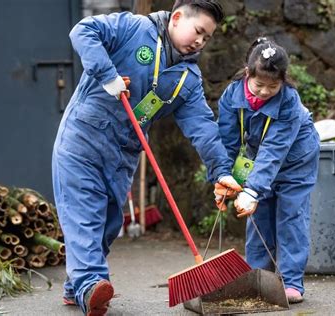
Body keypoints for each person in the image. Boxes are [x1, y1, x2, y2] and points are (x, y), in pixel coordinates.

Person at [52, 1, 242, 315]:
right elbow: (82, 30)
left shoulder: (187, 79)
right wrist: (106, 74)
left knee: (109, 224)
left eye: (207, 38)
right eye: (198, 31)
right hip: (82, 141)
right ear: (177, 18)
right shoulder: (132, 28)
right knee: (84, 215)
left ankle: (77, 287)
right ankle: (90, 285)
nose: (200, 41)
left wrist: (221, 169)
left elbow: (203, 128)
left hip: (123, 154)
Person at [216, 38, 320, 304]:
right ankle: (259, 277)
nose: (264, 91)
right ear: (247, 73)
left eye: (273, 86)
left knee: (291, 216)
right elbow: (227, 141)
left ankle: (291, 282)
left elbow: (275, 149)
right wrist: (224, 177)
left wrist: (252, 188)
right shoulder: (232, 95)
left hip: (296, 160)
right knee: (258, 217)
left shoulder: (289, 102)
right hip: (258, 160)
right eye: (259, 84)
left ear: (283, 81)